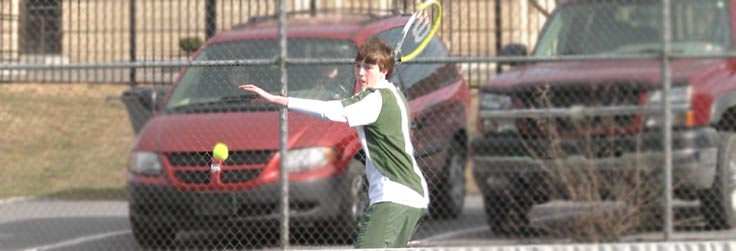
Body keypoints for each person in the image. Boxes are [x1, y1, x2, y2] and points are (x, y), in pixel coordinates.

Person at [239, 38, 429, 248]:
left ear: (384, 70)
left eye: (369, 67)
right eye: (358, 66)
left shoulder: (374, 98)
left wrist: (279, 100)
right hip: (411, 196)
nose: (361, 73)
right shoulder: (394, 93)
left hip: (394, 196)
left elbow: (329, 110)